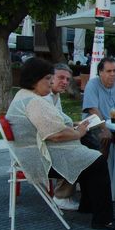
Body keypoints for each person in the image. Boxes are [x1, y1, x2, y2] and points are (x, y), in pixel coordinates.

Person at [6, 57, 115, 230]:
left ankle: (89, 206)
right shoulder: (34, 102)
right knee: (97, 160)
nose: (51, 83)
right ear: (34, 80)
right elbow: (55, 134)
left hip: (37, 152)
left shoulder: (25, 96)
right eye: (48, 79)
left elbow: (55, 129)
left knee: (90, 157)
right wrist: (78, 132)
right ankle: (103, 219)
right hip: (40, 158)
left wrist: (76, 131)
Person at [42, 63, 80, 210]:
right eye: (61, 78)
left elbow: (62, 119)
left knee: (90, 139)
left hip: (51, 140)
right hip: (43, 147)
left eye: (67, 79)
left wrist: (76, 125)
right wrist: (75, 131)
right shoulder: (44, 99)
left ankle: (76, 181)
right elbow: (54, 131)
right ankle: (62, 195)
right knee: (78, 148)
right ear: (50, 77)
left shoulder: (55, 96)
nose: (64, 82)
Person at [82, 56, 115, 154]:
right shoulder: (92, 84)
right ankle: (103, 168)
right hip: (95, 126)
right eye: (109, 71)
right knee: (104, 139)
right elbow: (93, 110)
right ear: (100, 72)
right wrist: (105, 129)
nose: (113, 74)